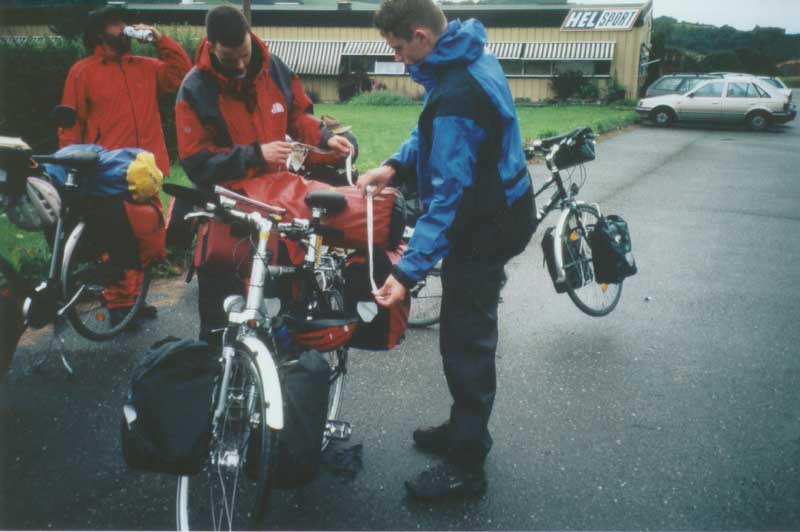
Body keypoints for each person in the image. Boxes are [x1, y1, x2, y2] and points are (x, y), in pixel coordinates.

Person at [357, 0, 537, 501]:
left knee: (467, 340)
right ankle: (463, 430)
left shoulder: (459, 87)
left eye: (398, 49)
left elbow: (447, 196)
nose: (399, 59)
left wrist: (407, 272)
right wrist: (394, 165)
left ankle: (466, 466)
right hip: (500, 205)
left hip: (489, 222)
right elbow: (432, 127)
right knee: (462, 331)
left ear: (419, 34)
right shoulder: (464, 54)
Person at [175, 5, 353, 342]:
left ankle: (282, 368)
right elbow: (196, 162)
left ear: (250, 38)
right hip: (228, 211)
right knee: (221, 309)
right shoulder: (195, 89)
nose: (241, 65)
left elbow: (298, 116)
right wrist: (256, 154)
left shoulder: (274, 69)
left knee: (284, 294)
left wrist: (327, 139)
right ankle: (218, 372)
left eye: (244, 54)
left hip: (276, 203)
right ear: (211, 46)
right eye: (231, 59)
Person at [59, 6, 192, 325]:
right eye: (115, 24)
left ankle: (135, 299)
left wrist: (160, 40)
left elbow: (182, 74)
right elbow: (70, 123)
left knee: (146, 234)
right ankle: (120, 303)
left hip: (148, 167)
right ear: (99, 34)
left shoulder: (146, 67)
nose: (123, 29)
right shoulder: (83, 71)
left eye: (124, 23)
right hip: (109, 171)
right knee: (117, 236)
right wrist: (72, 163)